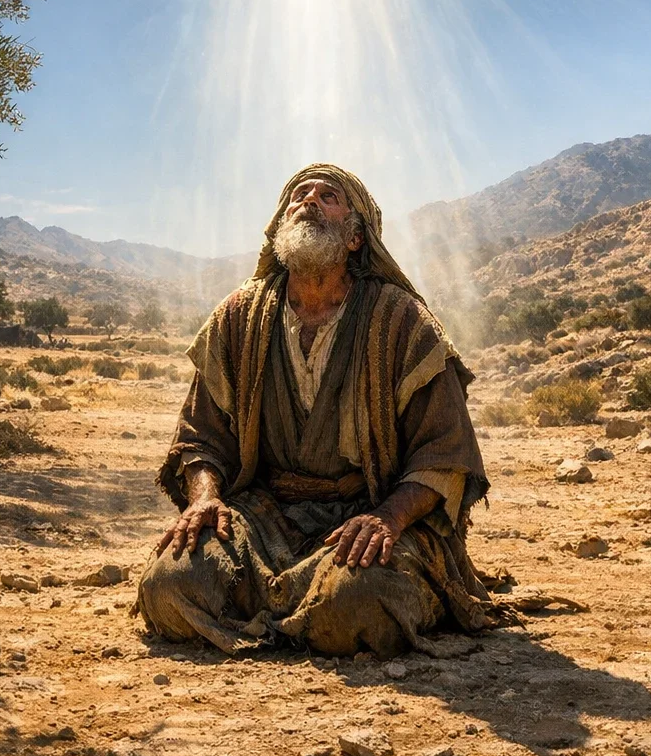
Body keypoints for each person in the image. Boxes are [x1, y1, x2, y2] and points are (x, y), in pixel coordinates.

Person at [135, 164, 503, 657]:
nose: (308, 201)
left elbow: (443, 453)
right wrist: (205, 498)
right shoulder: (238, 317)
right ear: (280, 223)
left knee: (361, 599)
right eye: (298, 195)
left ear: (356, 236)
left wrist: (388, 519)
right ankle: (301, 616)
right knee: (169, 585)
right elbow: (201, 437)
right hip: (264, 515)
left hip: (365, 512)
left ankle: (288, 611)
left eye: (328, 196)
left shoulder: (402, 321)